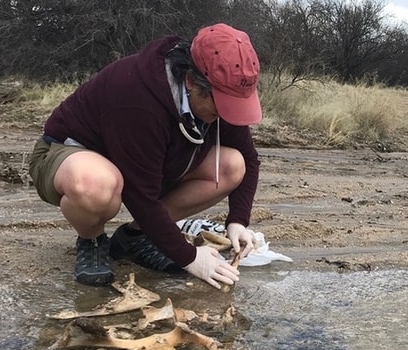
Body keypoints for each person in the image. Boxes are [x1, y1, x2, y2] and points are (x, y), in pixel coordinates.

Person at [29, 23, 262, 290]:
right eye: (220, 106)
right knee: (97, 183)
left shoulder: (220, 90)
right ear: (191, 82)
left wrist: (237, 221)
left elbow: (249, 157)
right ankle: (92, 241)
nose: (225, 115)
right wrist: (190, 257)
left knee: (232, 166)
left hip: (143, 163)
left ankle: (134, 238)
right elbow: (140, 195)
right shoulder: (137, 98)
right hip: (70, 154)